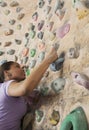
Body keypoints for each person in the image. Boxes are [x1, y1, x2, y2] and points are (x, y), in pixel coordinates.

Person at [0, 47, 58, 130]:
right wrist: (48, 60)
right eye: (17, 66)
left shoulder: (14, 96)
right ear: (7, 73)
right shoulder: (4, 87)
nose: (22, 68)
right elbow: (25, 88)